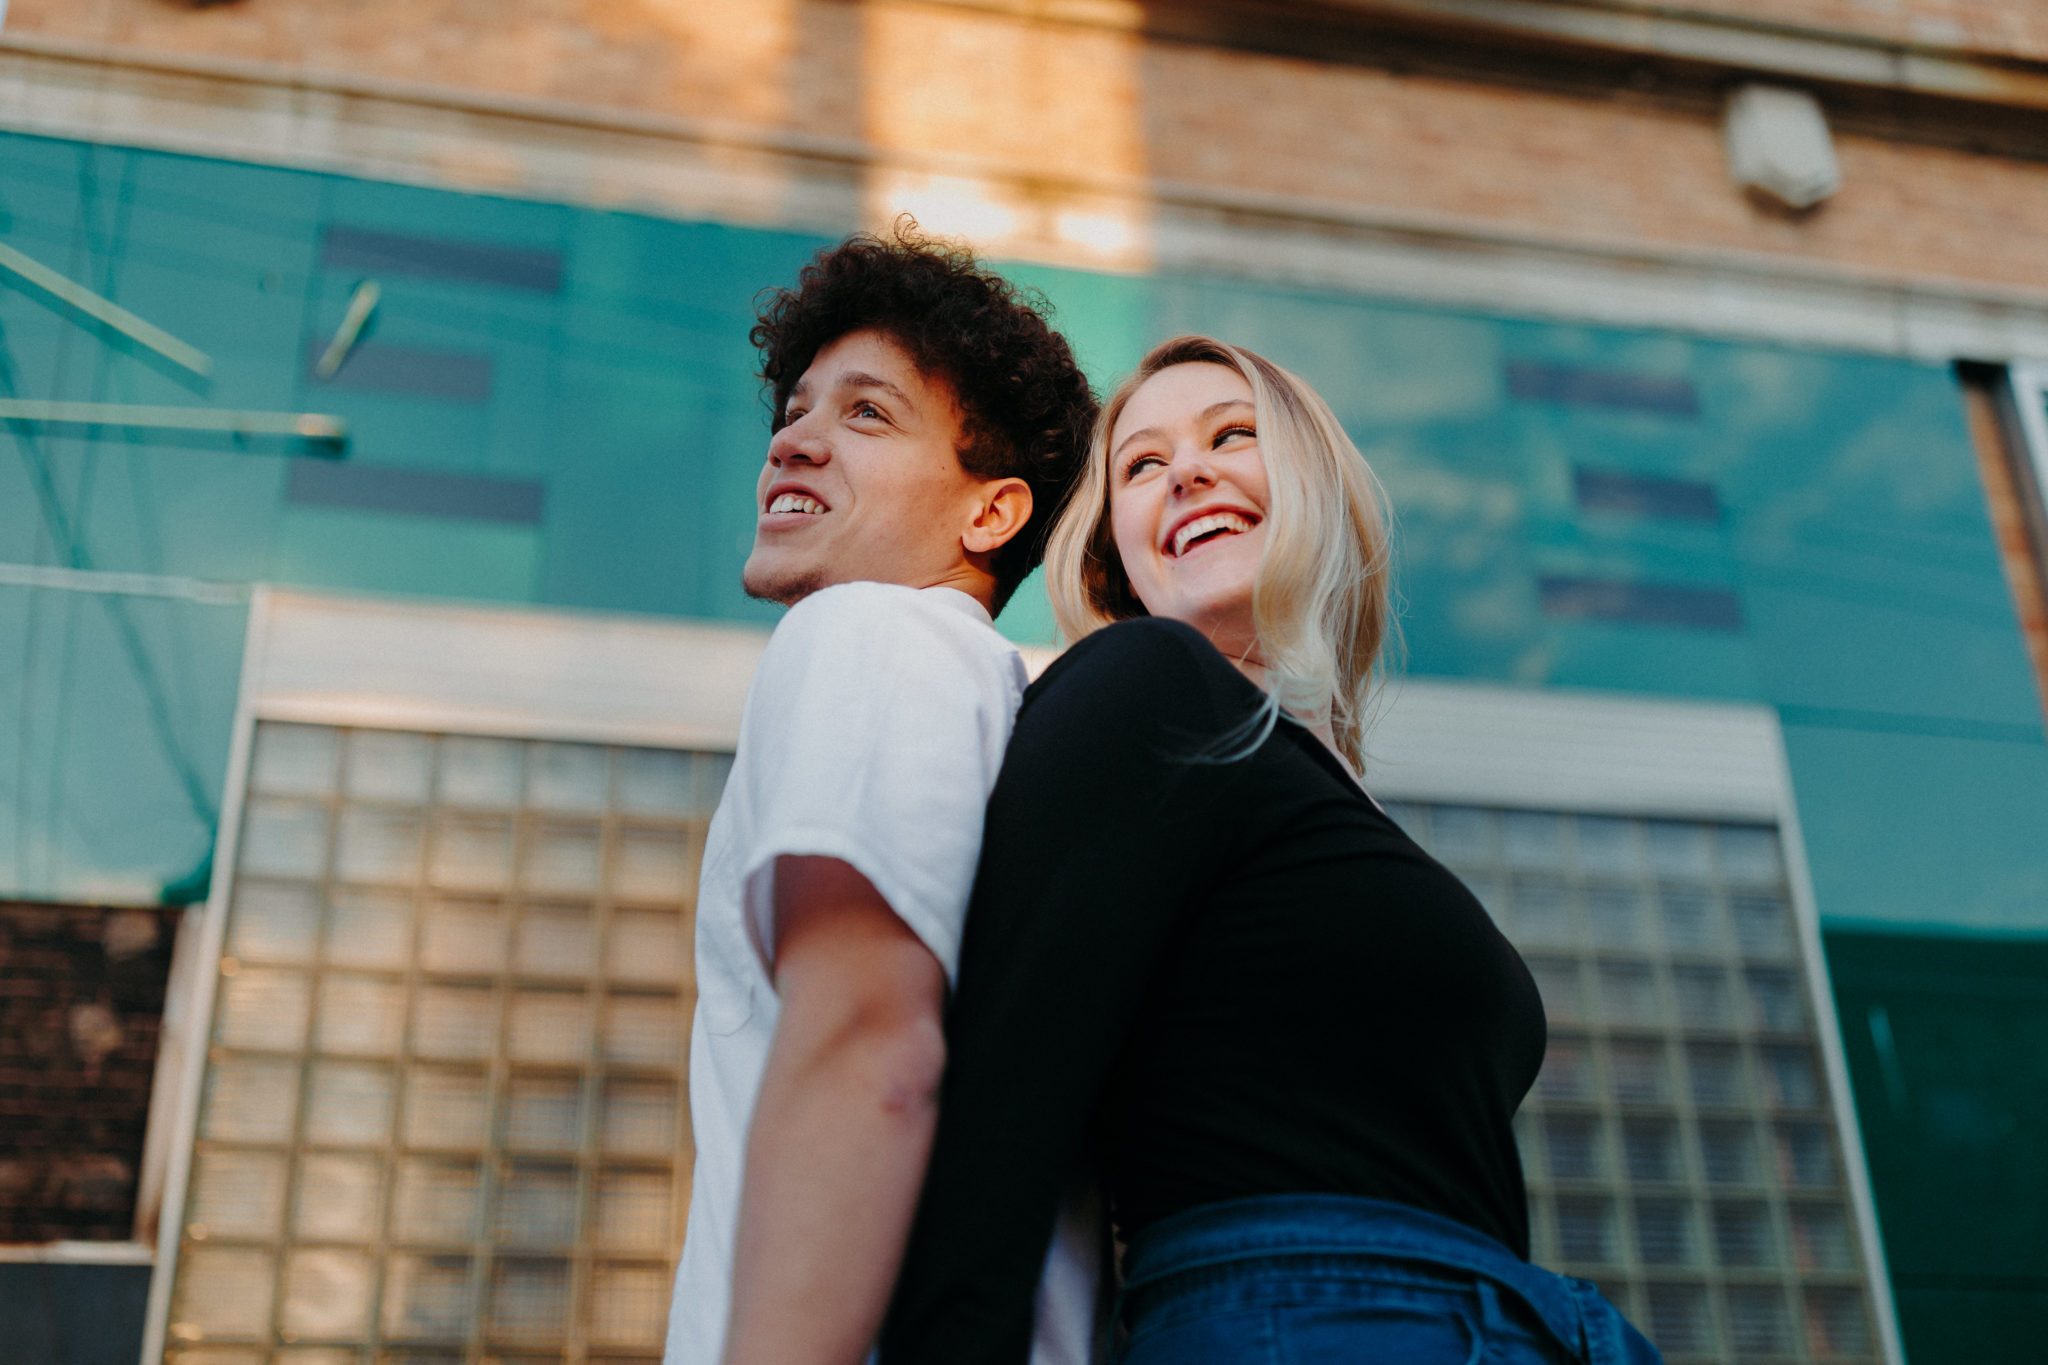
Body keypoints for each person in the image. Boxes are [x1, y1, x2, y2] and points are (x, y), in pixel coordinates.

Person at [880, 336, 1662, 1364]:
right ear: (1115, 550)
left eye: (1230, 435)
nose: (1187, 472)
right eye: (1142, 466)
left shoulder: (1332, 801)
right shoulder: (1144, 688)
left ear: (1313, 485)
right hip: (1297, 1322)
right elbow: (997, 1095)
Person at [663, 224, 1102, 1365]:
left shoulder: (867, 631)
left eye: (867, 415)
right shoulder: (1016, 718)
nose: (795, 445)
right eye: (795, 412)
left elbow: (872, 1047)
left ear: (990, 514)